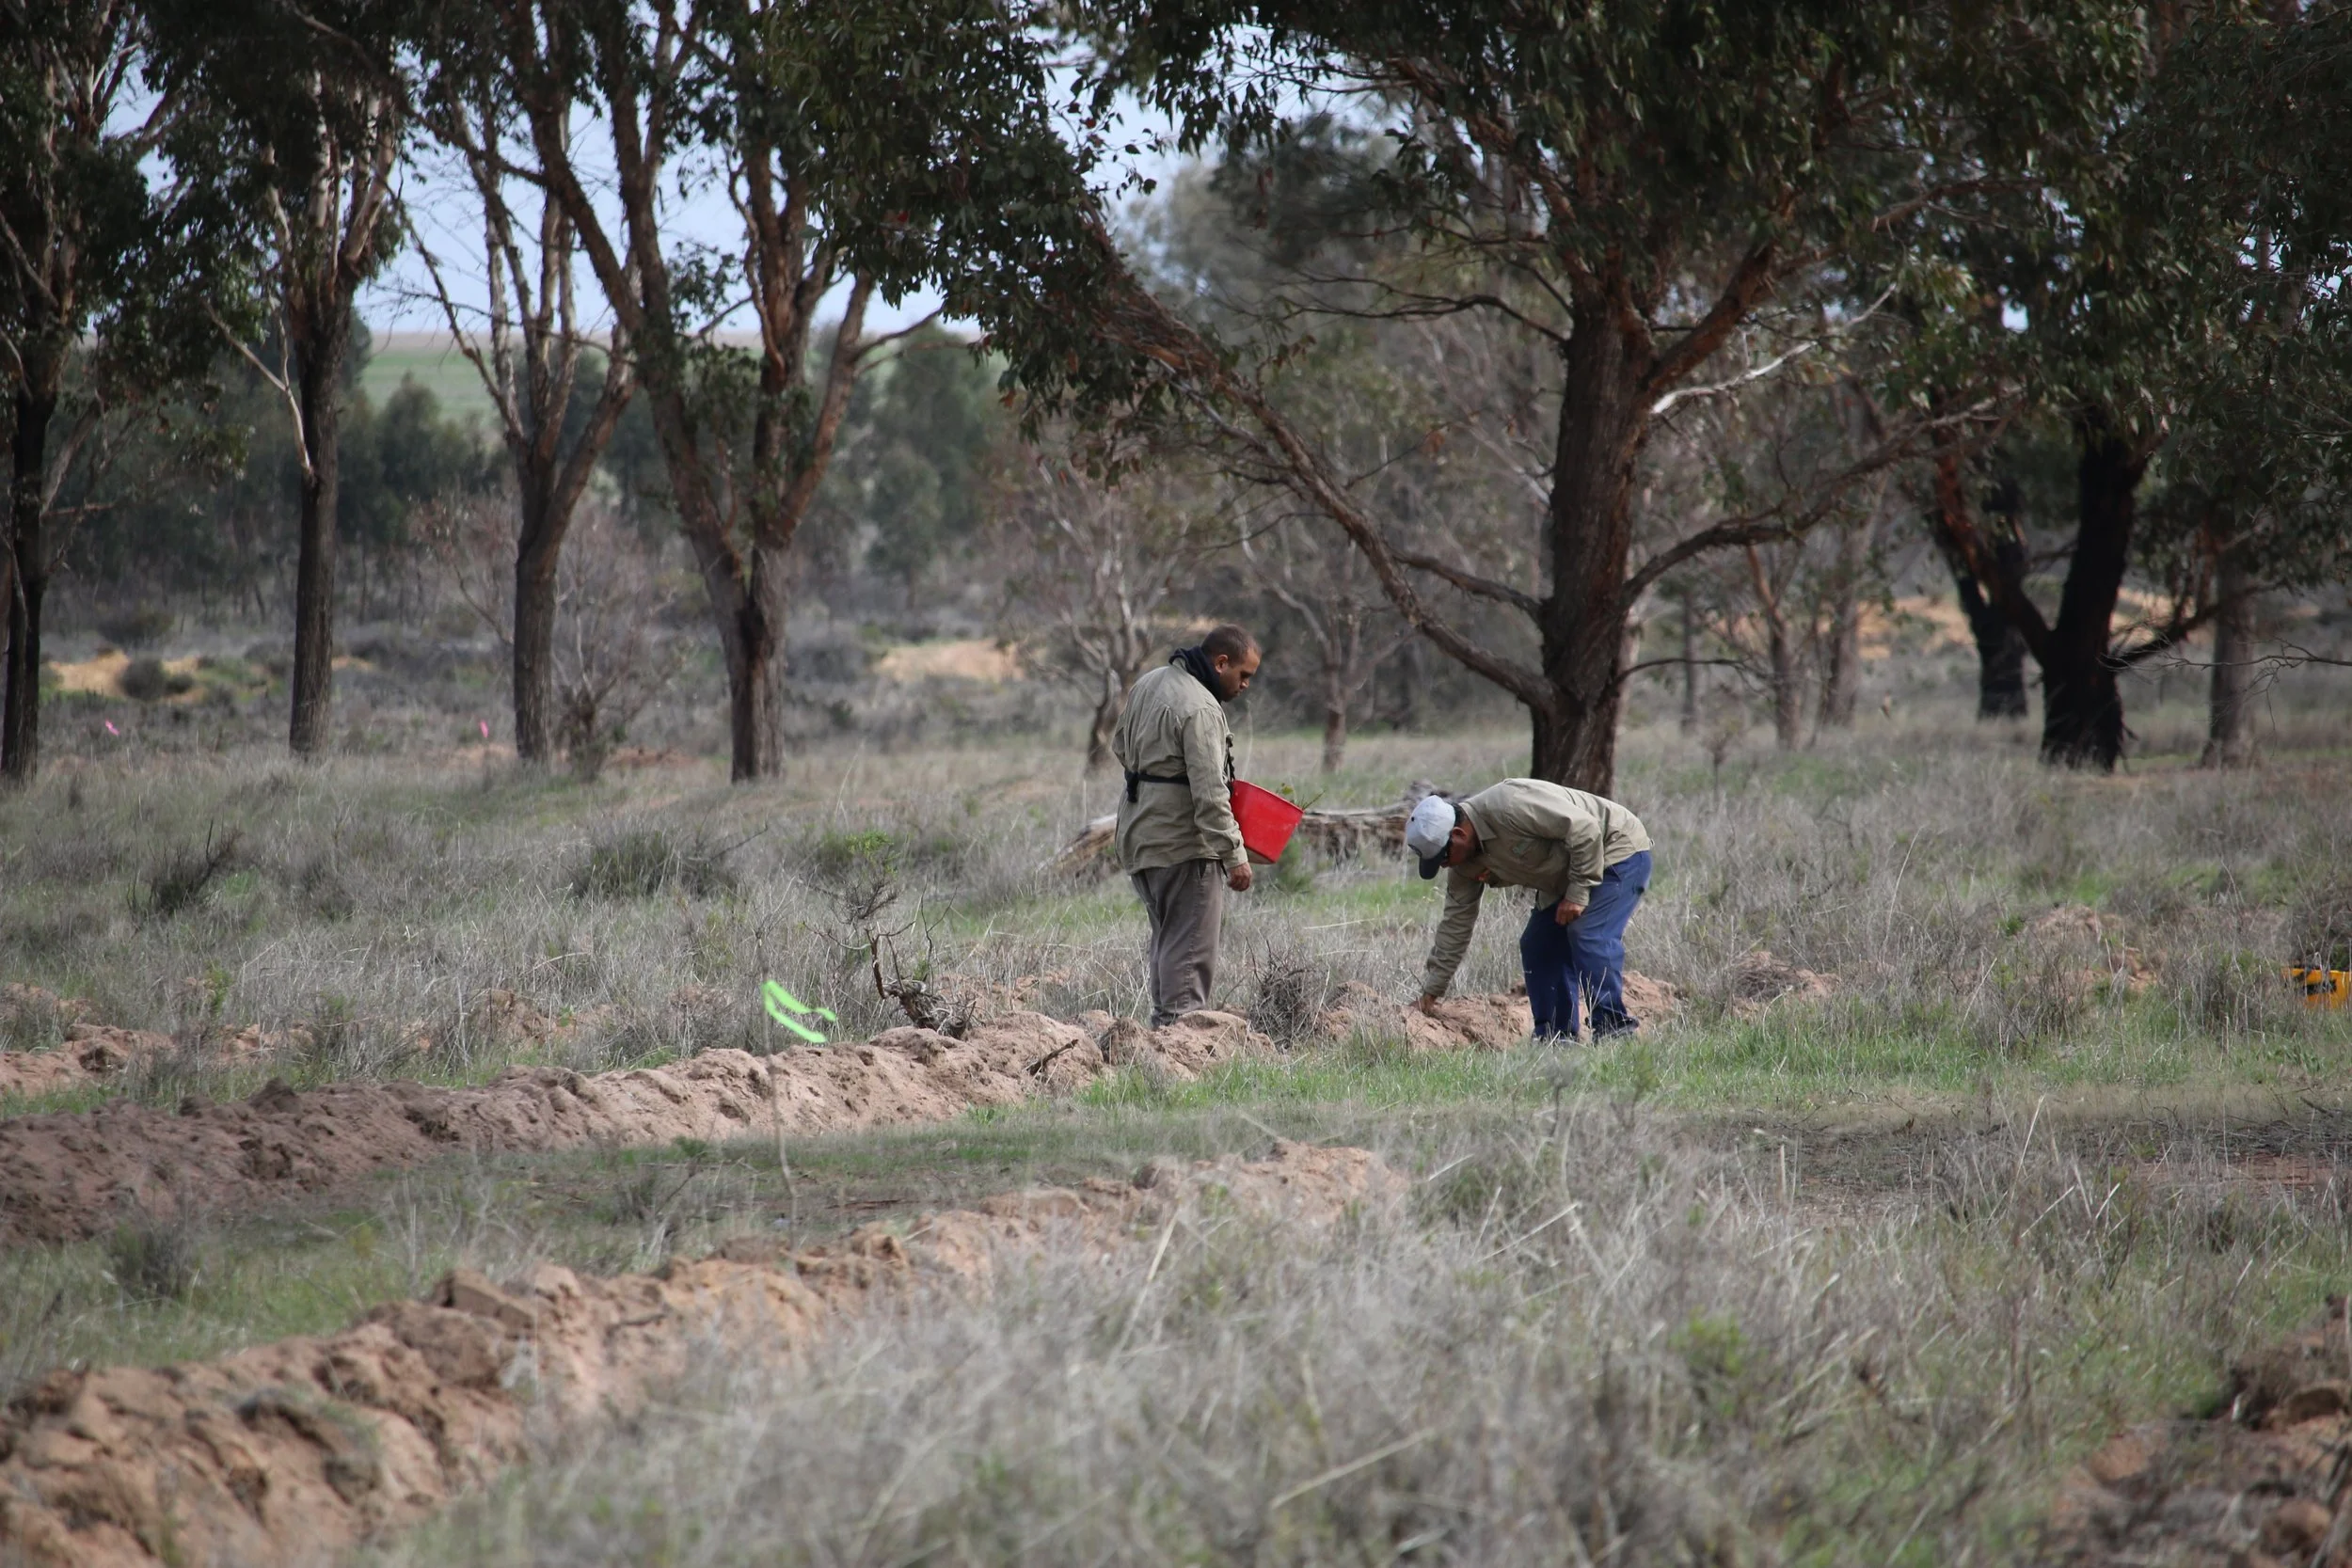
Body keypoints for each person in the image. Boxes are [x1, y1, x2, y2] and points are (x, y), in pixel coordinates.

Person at [1404, 779, 1652, 1041]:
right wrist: (1431, 992)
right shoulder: (1463, 865)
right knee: (1537, 944)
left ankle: (1614, 1030)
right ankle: (1556, 1038)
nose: (1443, 867)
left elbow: (1586, 830)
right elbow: (1456, 924)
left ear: (1458, 835)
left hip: (1616, 850)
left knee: (1589, 933)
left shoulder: (1510, 806)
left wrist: (1578, 894)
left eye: (1442, 858)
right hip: (1567, 874)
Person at [1111, 624, 1262, 1027]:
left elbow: (1119, 746)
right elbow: (1211, 794)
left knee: (1168, 943)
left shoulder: (1150, 682)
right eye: (1242, 675)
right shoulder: (1202, 708)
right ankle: (1177, 1047)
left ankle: (1158, 1038)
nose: (1245, 684)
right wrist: (1236, 857)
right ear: (1220, 662)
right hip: (1184, 846)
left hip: (1139, 835)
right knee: (1189, 955)